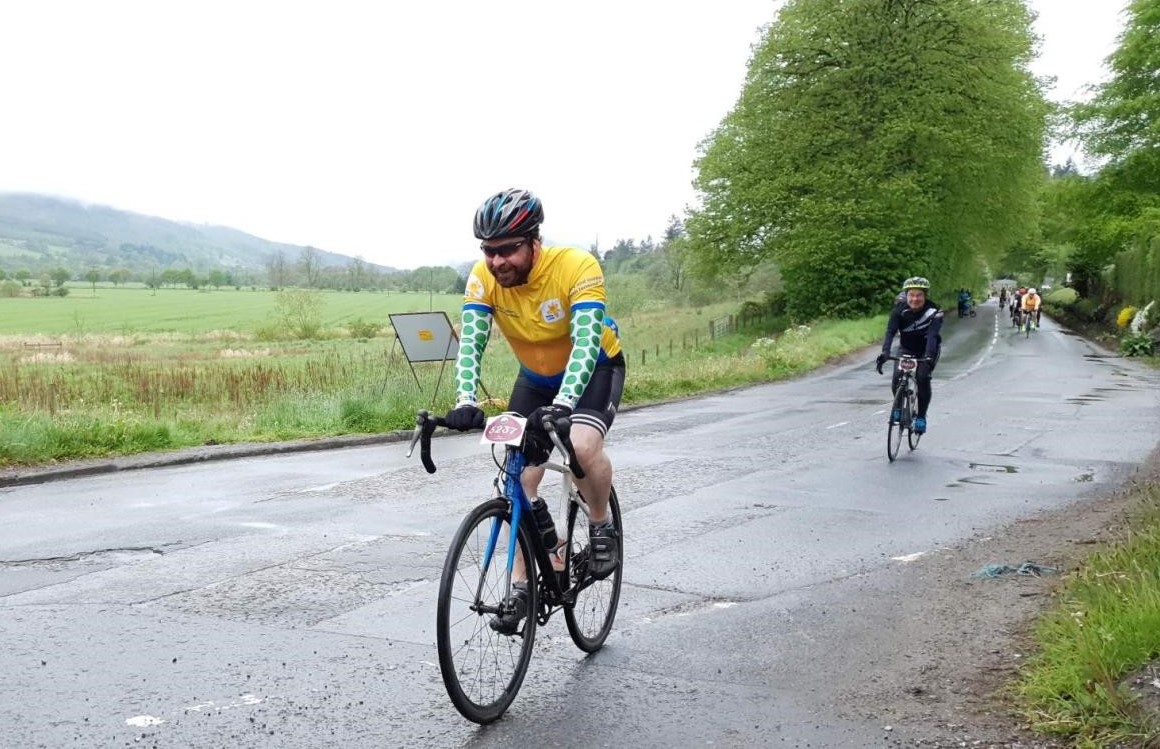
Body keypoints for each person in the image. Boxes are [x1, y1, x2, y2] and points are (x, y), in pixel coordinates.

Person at [443, 188, 626, 634]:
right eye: (489, 251)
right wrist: (465, 400)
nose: (498, 261)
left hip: (595, 367)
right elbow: (470, 343)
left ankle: (601, 526)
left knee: (580, 445)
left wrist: (564, 405)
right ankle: (526, 582)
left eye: (508, 250)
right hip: (535, 377)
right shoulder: (482, 279)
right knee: (518, 480)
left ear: (534, 242)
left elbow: (585, 343)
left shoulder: (575, 267)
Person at [875, 276, 943, 434]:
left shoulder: (934, 311)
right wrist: (885, 352)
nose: (915, 299)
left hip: (927, 349)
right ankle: (898, 406)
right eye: (911, 295)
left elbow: (932, 336)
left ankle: (921, 417)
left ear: (925, 296)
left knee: (922, 377)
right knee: (897, 377)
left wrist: (928, 358)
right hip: (906, 348)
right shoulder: (899, 309)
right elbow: (891, 331)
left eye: (919, 295)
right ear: (906, 295)